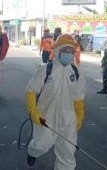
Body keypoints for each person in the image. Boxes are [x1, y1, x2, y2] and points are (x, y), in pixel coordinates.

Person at [25, 34, 86, 170]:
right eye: (66, 50)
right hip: (46, 117)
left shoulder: (76, 73)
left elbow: (79, 97)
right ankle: (32, 152)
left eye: (72, 51)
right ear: (58, 50)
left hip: (68, 119)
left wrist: (79, 116)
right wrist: (34, 112)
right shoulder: (46, 69)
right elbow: (31, 90)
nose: (69, 54)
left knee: (67, 153)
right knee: (41, 145)